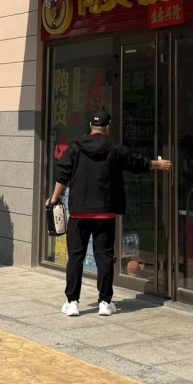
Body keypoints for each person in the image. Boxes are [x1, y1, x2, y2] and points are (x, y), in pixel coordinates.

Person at [46, 109, 172, 317]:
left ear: (90, 127)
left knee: (75, 257)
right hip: (105, 213)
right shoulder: (115, 148)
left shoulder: (76, 147)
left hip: (79, 214)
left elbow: (63, 175)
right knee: (104, 257)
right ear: (108, 128)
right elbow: (135, 162)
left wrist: (54, 198)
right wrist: (157, 164)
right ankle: (105, 302)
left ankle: (72, 302)